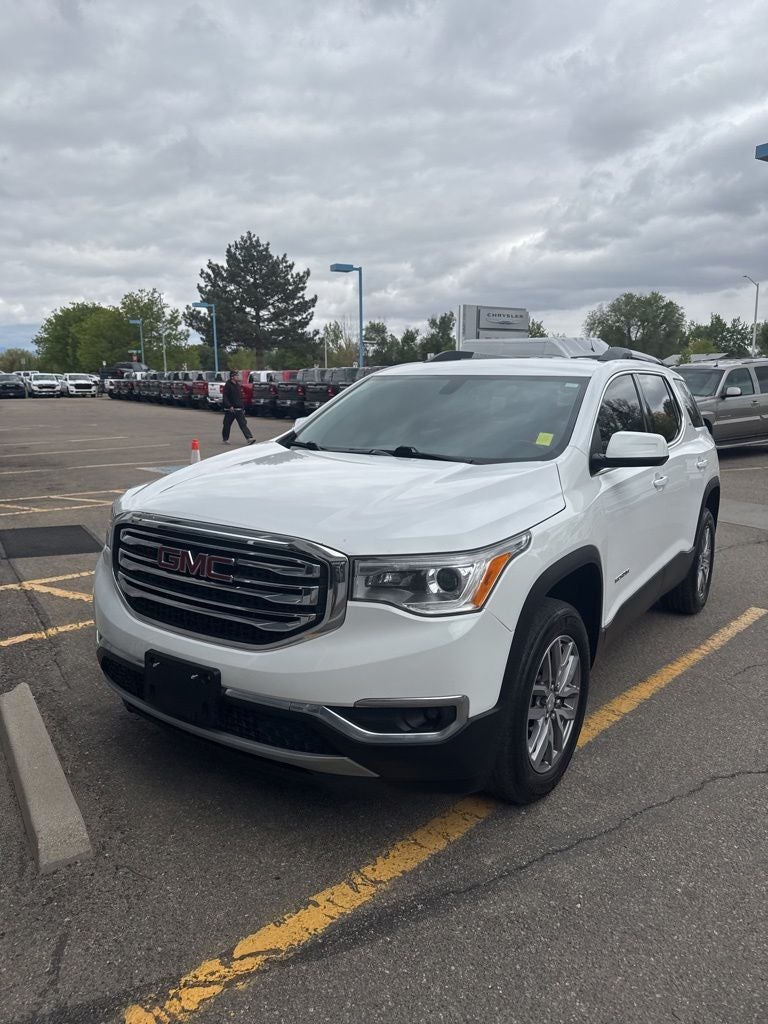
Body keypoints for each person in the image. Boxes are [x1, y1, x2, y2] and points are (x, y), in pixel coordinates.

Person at [222, 370, 256, 445]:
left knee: (243, 424)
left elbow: (239, 397)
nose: (238, 377)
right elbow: (225, 397)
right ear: (232, 377)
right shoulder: (228, 385)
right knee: (227, 424)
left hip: (239, 409)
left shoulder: (237, 385)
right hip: (230, 410)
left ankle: (249, 438)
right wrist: (229, 406)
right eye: (237, 376)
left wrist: (242, 407)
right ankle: (225, 439)